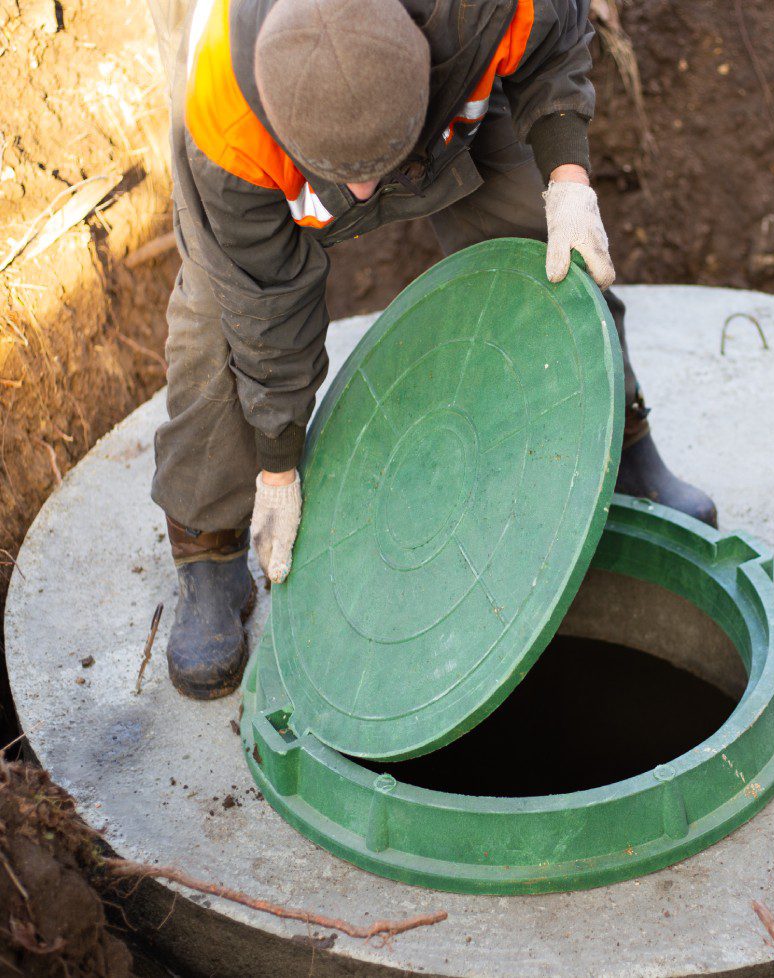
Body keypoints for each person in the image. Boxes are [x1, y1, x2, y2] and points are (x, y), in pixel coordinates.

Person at [153, 0, 718, 700]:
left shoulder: (484, 10)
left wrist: (567, 178)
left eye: (374, 170)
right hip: (270, 164)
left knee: (548, 254)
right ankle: (208, 549)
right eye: (349, 178)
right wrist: (276, 463)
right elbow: (266, 305)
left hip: (445, 120)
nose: (363, 196)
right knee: (219, 329)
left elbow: (555, 44)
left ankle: (619, 440)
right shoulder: (225, 121)